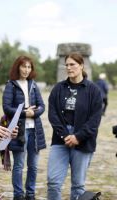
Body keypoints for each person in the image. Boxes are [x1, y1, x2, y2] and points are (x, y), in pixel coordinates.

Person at [47, 52, 102, 200]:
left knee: (78, 186)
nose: (69, 68)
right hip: (60, 139)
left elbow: (95, 119)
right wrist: (65, 135)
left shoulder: (94, 90)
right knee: (53, 182)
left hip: (83, 140)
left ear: (81, 65)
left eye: (72, 64)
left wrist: (78, 136)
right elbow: (53, 115)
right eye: (67, 65)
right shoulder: (58, 89)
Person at [2, 56, 46, 200]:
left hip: (35, 130)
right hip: (18, 131)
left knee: (33, 166)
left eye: (29, 67)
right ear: (17, 67)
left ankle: (31, 194)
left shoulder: (33, 85)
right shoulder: (11, 85)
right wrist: (24, 112)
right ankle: (18, 195)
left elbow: (42, 106)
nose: (26, 70)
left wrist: (34, 112)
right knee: (19, 165)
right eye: (23, 66)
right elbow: (7, 108)